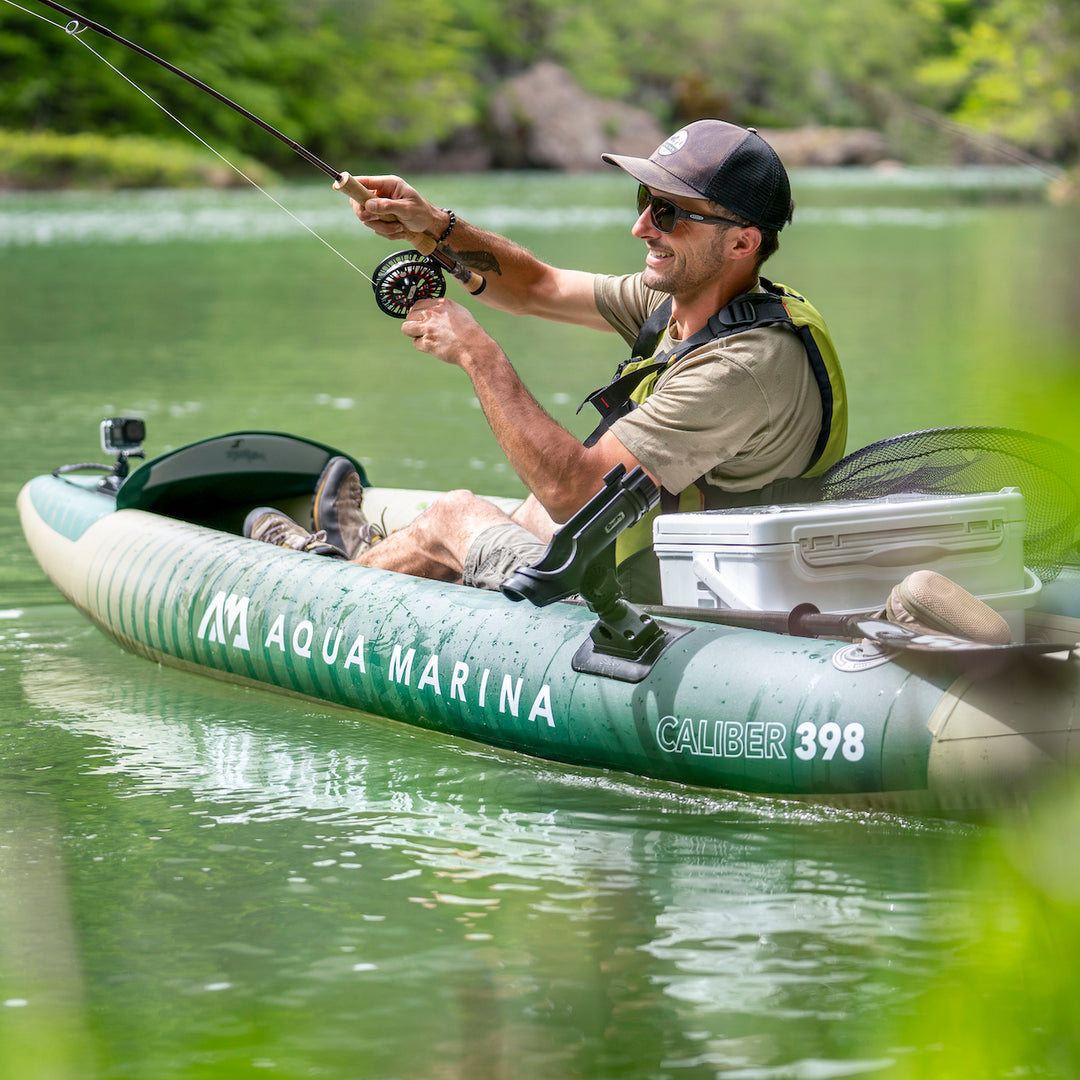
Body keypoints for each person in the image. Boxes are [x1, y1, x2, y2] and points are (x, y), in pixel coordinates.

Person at [245, 119, 848, 603]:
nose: (642, 227)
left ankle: (321, 578)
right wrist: (431, 227)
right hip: (648, 559)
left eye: (668, 213)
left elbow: (576, 492)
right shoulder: (685, 298)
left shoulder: (742, 364)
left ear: (742, 242)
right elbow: (538, 288)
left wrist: (477, 354)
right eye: (645, 201)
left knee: (456, 513)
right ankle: (350, 558)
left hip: (656, 598)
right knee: (513, 514)